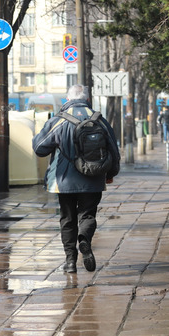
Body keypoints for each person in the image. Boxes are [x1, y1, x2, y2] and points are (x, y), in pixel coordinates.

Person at [32, 84, 121, 274]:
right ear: (87, 99)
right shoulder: (100, 120)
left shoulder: (59, 120)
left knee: (67, 220)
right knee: (88, 215)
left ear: (67, 99)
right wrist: (111, 174)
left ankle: (70, 262)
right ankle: (84, 240)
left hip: (64, 181)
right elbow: (114, 149)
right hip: (94, 178)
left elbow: (39, 148)